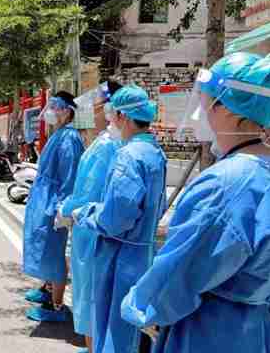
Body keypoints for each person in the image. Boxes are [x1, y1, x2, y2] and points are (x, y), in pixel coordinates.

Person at [121, 52, 270, 353]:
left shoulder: (226, 183)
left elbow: (179, 274)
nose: (202, 109)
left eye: (208, 99)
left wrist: (141, 307)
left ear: (231, 109)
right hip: (255, 329)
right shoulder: (260, 173)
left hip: (209, 330)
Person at [62, 85, 167, 353]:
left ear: (123, 116)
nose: (110, 122)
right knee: (128, 332)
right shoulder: (154, 152)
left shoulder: (128, 156)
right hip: (141, 251)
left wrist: (82, 213)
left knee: (115, 332)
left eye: (112, 116)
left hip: (120, 256)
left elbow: (116, 217)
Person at [56, 80, 124, 352]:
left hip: (93, 232)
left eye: (96, 105)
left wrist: (66, 210)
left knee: (93, 301)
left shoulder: (107, 146)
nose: (91, 110)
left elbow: (88, 190)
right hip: (94, 229)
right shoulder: (107, 143)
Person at [23, 91, 85, 322]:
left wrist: (62, 207)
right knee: (45, 247)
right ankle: (47, 289)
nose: (51, 111)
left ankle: (55, 306)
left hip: (53, 202)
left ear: (67, 111)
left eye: (56, 107)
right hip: (44, 197)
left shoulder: (69, 138)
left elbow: (69, 176)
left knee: (54, 252)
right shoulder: (60, 134)